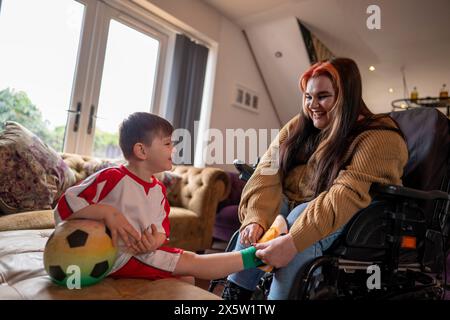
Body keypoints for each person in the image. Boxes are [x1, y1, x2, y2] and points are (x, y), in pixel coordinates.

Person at [222, 57, 409, 300]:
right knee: (262, 219)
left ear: (346, 97)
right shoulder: (300, 125)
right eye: (308, 97)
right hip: (294, 204)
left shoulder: (380, 137)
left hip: (351, 214)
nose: (312, 105)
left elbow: (345, 194)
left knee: (300, 218)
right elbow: (267, 170)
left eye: (323, 96)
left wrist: (292, 241)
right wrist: (255, 218)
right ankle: (235, 296)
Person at [53, 112, 288, 284]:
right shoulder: (112, 177)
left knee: (186, 278)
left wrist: (154, 241)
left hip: (137, 255)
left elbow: (161, 231)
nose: (173, 150)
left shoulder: (158, 191)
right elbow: (63, 207)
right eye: (167, 144)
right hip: (115, 257)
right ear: (141, 151)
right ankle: (258, 256)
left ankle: (256, 256)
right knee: (191, 261)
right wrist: (107, 213)